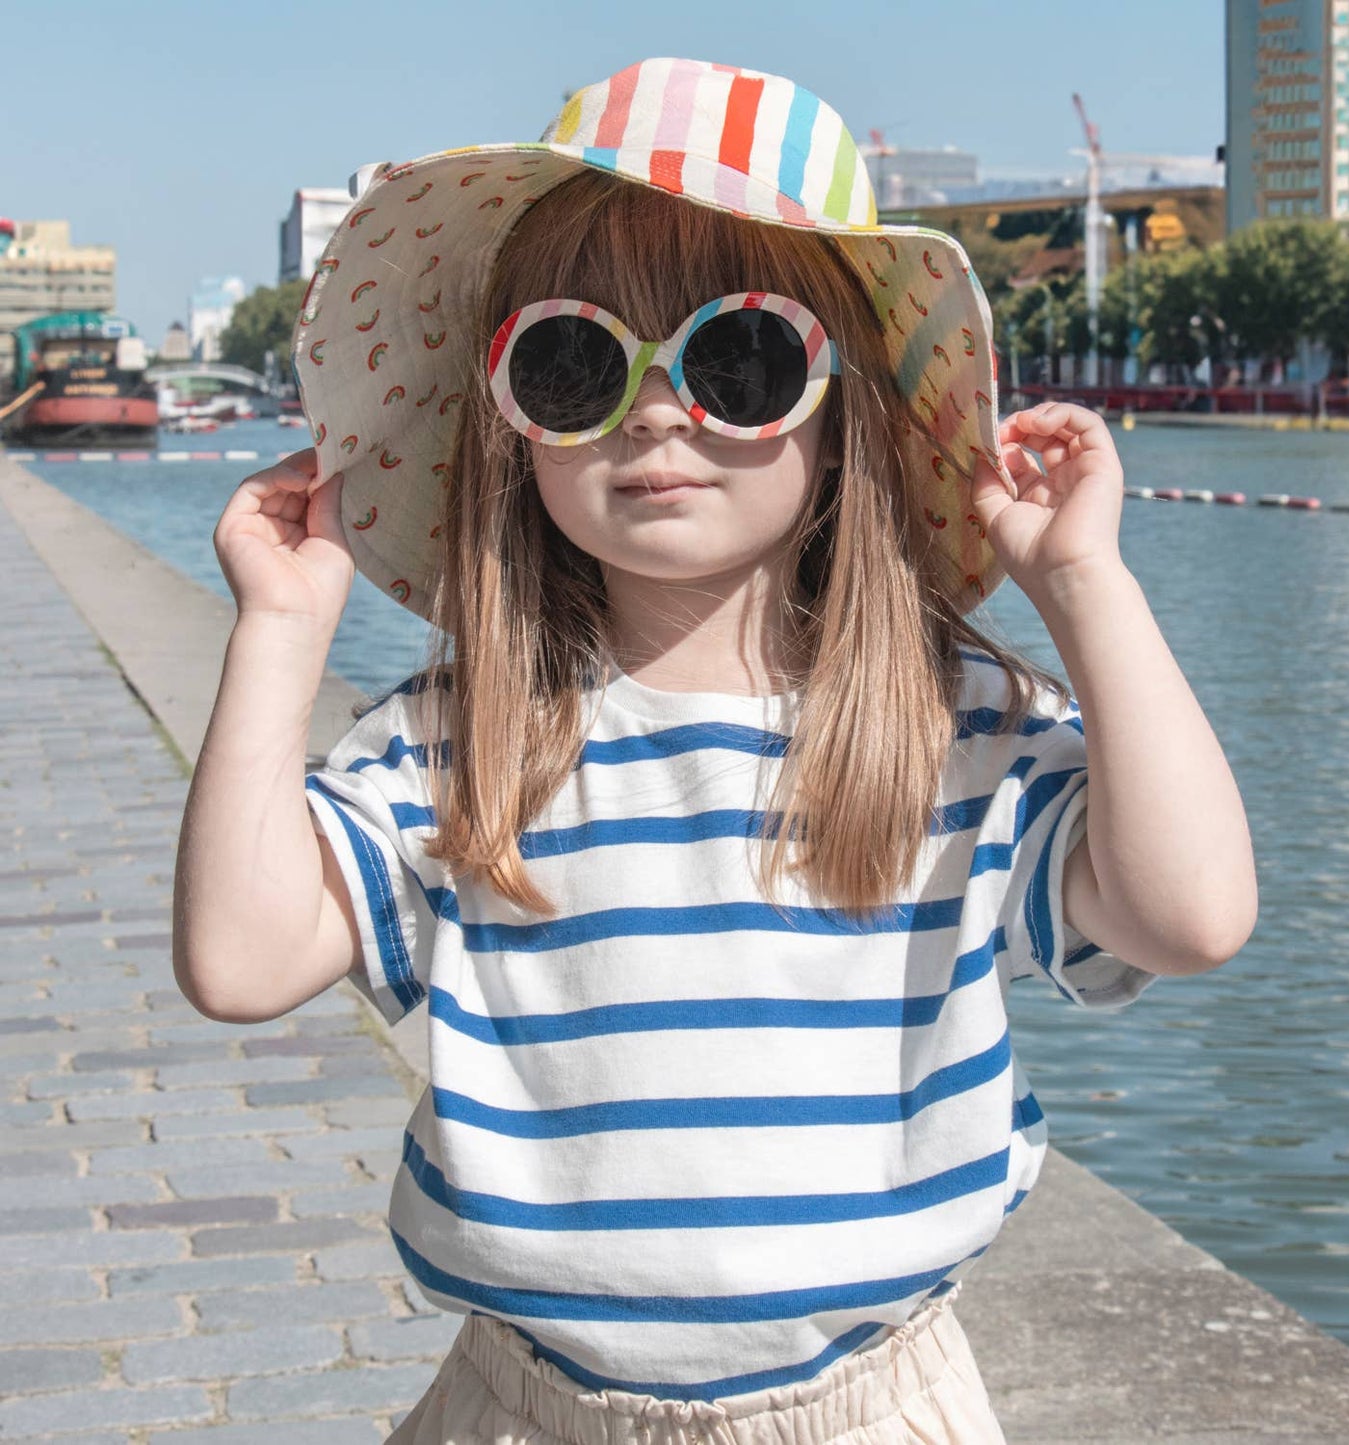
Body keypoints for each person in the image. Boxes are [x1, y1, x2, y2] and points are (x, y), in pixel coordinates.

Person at [174, 58, 1256, 1445]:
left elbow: (1192, 912)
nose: (656, 407)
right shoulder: (458, 743)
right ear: (509, 420)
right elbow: (239, 959)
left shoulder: (948, 735)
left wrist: (1084, 587)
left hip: (868, 1408)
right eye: (572, 362)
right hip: (528, 1407)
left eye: (739, 358)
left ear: (844, 402)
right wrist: (278, 627)